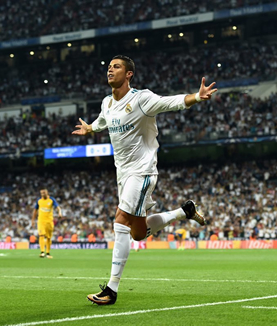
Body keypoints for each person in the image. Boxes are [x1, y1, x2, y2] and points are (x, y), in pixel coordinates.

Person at [72, 55, 215, 305]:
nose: (110, 70)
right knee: (138, 234)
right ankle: (184, 211)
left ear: (129, 74)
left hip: (143, 171)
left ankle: (111, 289)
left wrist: (195, 97)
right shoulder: (107, 102)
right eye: (109, 67)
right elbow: (103, 121)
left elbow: (169, 102)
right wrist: (91, 129)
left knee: (120, 220)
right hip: (123, 175)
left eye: (116, 67)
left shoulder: (141, 99)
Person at [31, 188, 62, 258]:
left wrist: (60, 213)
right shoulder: (39, 201)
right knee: (41, 235)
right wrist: (32, 220)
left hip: (49, 221)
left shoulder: (51, 200)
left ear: (47, 193)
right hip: (41, 221)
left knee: (48, 237)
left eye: (44, 193)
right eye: (41, 193)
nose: (42, 194)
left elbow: (58, 207)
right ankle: (42, 252)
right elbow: (35, 210)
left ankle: (48, 253)